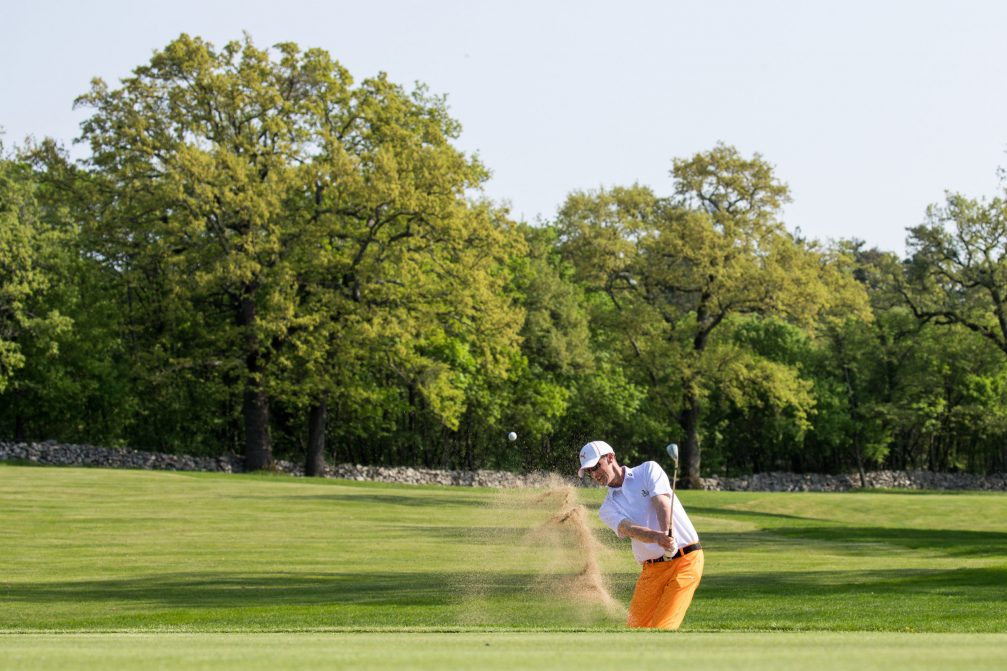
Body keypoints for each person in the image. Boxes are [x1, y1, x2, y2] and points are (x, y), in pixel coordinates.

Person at [578, 439, 704, 629]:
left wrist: (666, 534)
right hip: (651, 571)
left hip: (686, 560)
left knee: (663, 626)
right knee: (635, 630)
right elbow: (629, 529)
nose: (594, 474)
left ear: (610, 457)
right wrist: (658, 538)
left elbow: (661, 503)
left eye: (596, 466)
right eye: (589, 471)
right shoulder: (607, 508)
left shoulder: (647, 470)